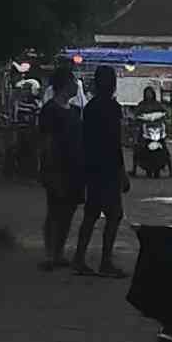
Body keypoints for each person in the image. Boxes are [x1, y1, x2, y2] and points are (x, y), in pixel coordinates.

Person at [65, 65, 128, 274]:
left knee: (91, 214)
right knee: (114, 215)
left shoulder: (90, 108)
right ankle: (105, 261)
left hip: (92, 167)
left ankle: (79, 258)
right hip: (108, 168)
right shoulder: (112, 108)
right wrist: (122, 171)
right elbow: (115, 142)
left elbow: (86, 140)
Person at [33, 81, 81, 269]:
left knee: (68, 210)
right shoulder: (50, 110)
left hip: (74, 167)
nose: (77, 87)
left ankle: (59, 252)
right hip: (55, 166)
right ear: (64, 85)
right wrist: (45, 166)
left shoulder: (75, 110)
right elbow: (46, 140)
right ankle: (49, 253)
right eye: (73, 83)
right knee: (54, 209)